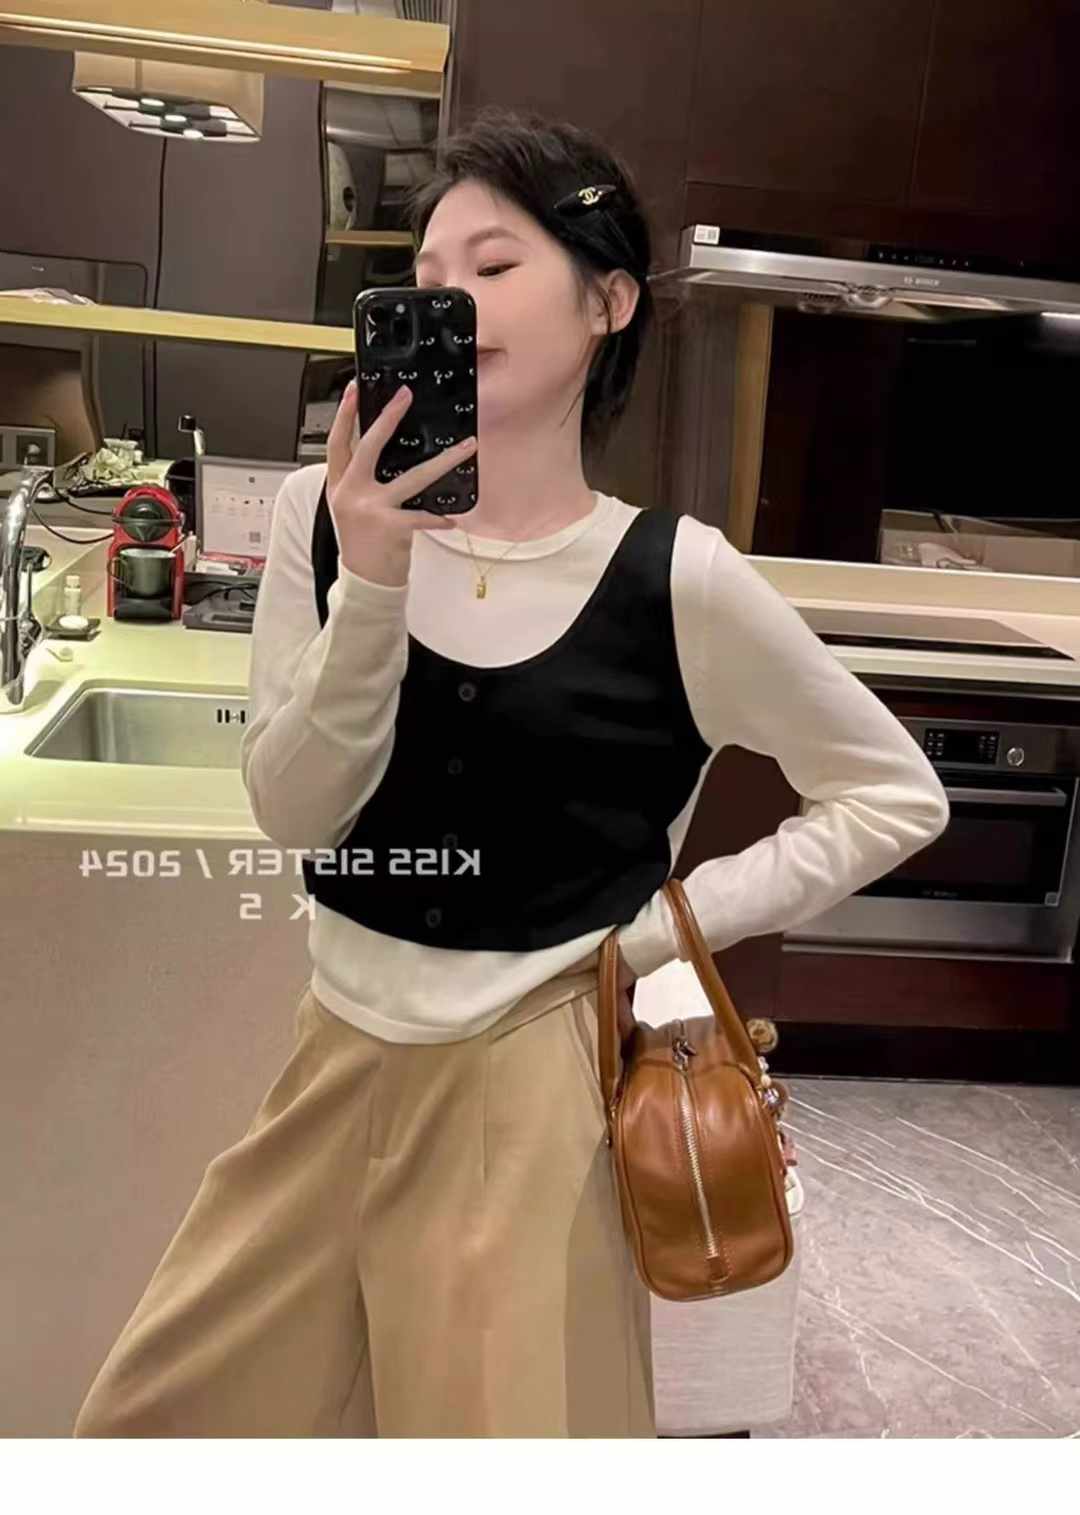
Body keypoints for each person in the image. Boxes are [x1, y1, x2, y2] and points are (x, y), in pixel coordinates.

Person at [72, 106, 949, 1440]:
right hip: (329, 1060)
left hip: (533, 1095)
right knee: (154, 1434)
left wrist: (658, 929)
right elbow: (297, 815)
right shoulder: (324, 518)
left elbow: (894, 795)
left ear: (607, 303)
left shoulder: (677, 578)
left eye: (493, 267)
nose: (449, 302)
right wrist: (374, 581)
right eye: (425, 280)